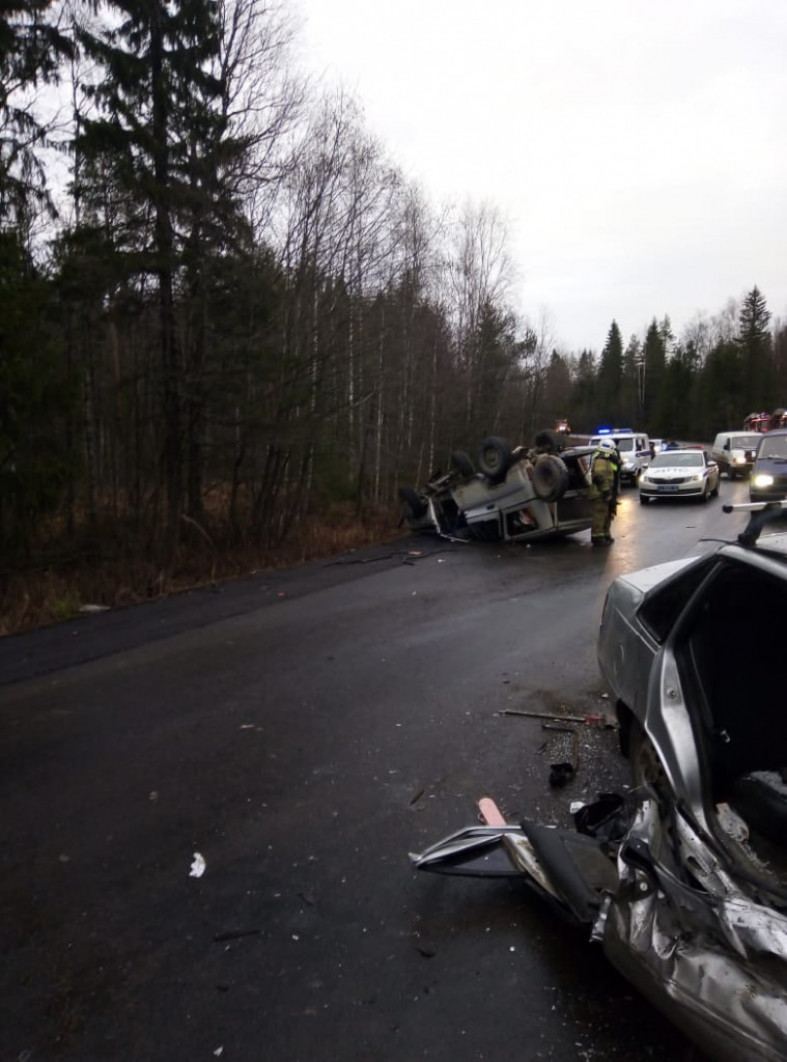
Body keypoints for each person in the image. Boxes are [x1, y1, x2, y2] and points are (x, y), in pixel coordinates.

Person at [589, 438, 619, 546]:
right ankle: (597, 537)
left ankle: (605, 534)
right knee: (599, 515)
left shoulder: (606, 460)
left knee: (607, 514)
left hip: (605, 493)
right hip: (599, 494)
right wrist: (606, 491)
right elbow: (600, 477)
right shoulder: (601, 461)